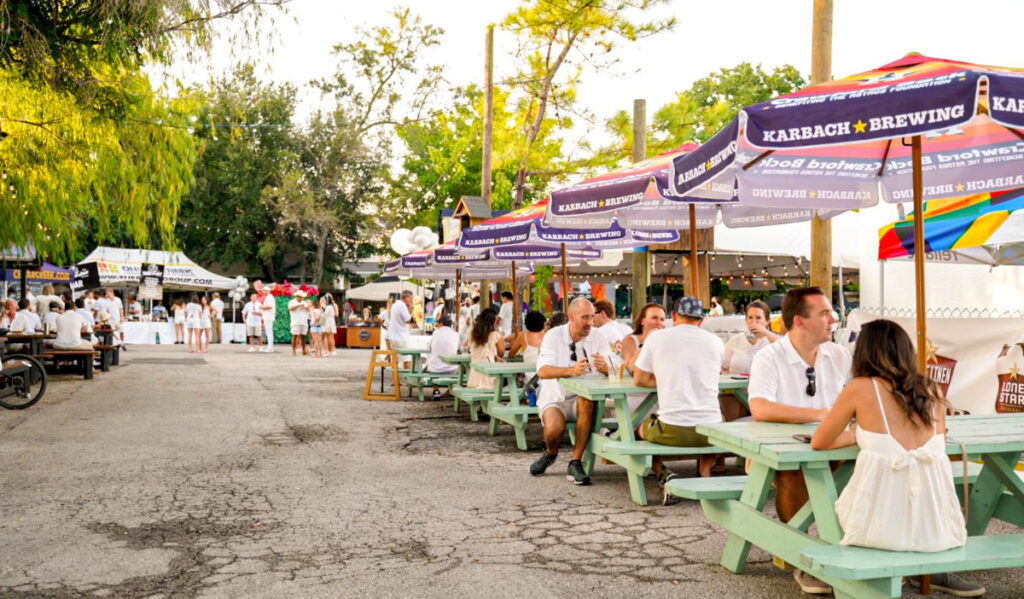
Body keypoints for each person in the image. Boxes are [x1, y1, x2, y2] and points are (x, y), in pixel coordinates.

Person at [811, 319, 981, 597]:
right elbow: (936, 437)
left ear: (864, 352)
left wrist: (859, 432)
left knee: (829, 497)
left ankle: (817, 567)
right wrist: (865, 433)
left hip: (875, 530)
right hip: (937, 530)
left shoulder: (861, 388)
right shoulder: (931, 390)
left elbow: (820, 442)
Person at [747, 286, 852, 596]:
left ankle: (870, 550)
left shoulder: (838, 354)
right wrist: (821, 414)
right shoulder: (770, 356)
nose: (833, 318)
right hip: (783, 451)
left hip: (832, 444)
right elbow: (760, 408)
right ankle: (801, 555)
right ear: (800, 321)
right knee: (792, 470)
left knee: (875, 462)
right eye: (824, 313)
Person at [633, 297, 725, 497]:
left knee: (638, 430)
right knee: (723, 419)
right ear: (701, 320)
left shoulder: (656, 338)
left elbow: (639, 379)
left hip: (672, 430)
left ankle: (662, 472)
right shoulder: (716, 342)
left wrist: (667, 379)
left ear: (674, 316)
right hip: (711, 433)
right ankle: (705, 471)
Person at [529, 297, 609, 486]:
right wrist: (570, 371)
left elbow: (615, 366)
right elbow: (543, 371)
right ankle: (550, 451)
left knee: (586, 400)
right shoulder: (554, 336)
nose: (590, 322)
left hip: (584, 397)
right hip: (555, 397)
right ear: (571, 317)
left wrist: (606, 367)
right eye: (585, 317)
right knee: (553, 431)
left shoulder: (598, 336)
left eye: (592, 317)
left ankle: (575, 461)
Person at [720, 300, 779, 421]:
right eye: (750, 318)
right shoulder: (736, 340)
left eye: (758, 318)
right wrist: (726, 375)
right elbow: (722, 366)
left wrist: (765, 332)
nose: (754, 322)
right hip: (735, 393)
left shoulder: (773, 342)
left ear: (767, 321)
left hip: (765, 396)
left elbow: (787, 351)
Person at [466, 308, 505, 389]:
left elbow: (478, 350)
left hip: (473, 377)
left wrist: (493, 356)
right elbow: (501, 353)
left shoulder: (472, 333)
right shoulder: (495, 335)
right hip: (488, 377)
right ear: (493, 321)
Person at [386, 291, 415, 366]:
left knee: (395, 359)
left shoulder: (395, 305)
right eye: (411, 298)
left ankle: (395, 377)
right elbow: (408, 320)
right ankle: (408, 378)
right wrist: (411, 311)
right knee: (407, 359)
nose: (412, 300)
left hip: (393, 336)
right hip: (400, 337)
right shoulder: (402, 306)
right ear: (406, 298)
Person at [288, 290, 310, 356]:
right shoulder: (292, 302)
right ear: (296, 296)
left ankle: (304, 350)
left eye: (301, 297)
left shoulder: (305, 303)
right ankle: (293, 351)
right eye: (298, 296)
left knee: (303, 337)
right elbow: (290, 309)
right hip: (295, 321)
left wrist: (305, 307)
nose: (299, 298)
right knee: (294, 336)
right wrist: (298, 306)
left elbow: (309, 309)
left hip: (303, 321)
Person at [257, 281, 277, 353]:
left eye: (263, 291)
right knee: (268, 332)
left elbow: (269, 306)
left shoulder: (270, 297)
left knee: (269, 332)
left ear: (266, 291)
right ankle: (270, 347)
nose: (262, 292)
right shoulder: (268, 297)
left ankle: (270, 347)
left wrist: (261, 307)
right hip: (267, 316)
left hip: (268, 317)